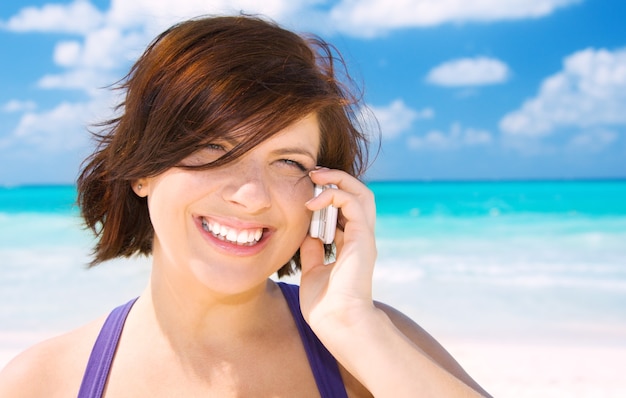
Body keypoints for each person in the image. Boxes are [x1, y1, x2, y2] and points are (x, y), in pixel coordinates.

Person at [0, 15, 491, 397]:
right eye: (213, 150)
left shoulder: (372, 349)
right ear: (143, 169)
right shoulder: (43, 383)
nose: (251, 195)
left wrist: (354, 327)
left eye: (288, 162)